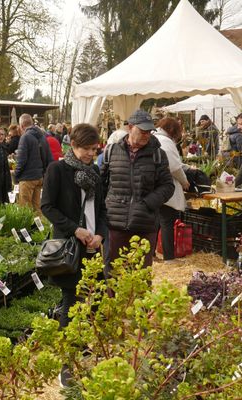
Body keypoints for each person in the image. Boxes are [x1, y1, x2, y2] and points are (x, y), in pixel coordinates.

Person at [41, 123, 107, 387]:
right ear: (73, 146)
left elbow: (101, 209)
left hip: (93, 244)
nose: (91, 153)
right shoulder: (58, 170)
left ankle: (80, 344)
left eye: (94, 149)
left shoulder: (95, 172)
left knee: (92, 297)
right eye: (86, 149)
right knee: (71, 298)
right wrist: (76, 229)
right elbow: (47, 206)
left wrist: (99, 234)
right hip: (70, 245)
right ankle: (67, 363)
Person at [101, 109, 174, 273]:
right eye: (142, 131)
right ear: (130, 127)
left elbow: (168, 186)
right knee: (112, 273)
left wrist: (147, 203)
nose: (146, 135)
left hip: (144, 224)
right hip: (114, 223)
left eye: (149, 131)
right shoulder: (111, 151)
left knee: (140, 276)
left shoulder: (158, 154)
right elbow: (101, 184)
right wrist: (106, 208)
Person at [154, 117, 190, 262]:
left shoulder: (153, 137)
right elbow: (175, 167)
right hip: (166, 187)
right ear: (171, 130)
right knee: (167, 222)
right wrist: (185, 181)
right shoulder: (166, 142)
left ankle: (151, 254)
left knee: (156, 222)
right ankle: (169, 257)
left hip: (153, 187)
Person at [14, 113, 54, 215]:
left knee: (25, 209)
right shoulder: (42, 137)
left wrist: (16, 175)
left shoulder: (25, 137)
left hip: (27, 177)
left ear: (22, 125)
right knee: (37, 208)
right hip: (39, 177)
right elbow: (48, 157)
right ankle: (39, 230)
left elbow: (21, 160)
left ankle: (27, 229)